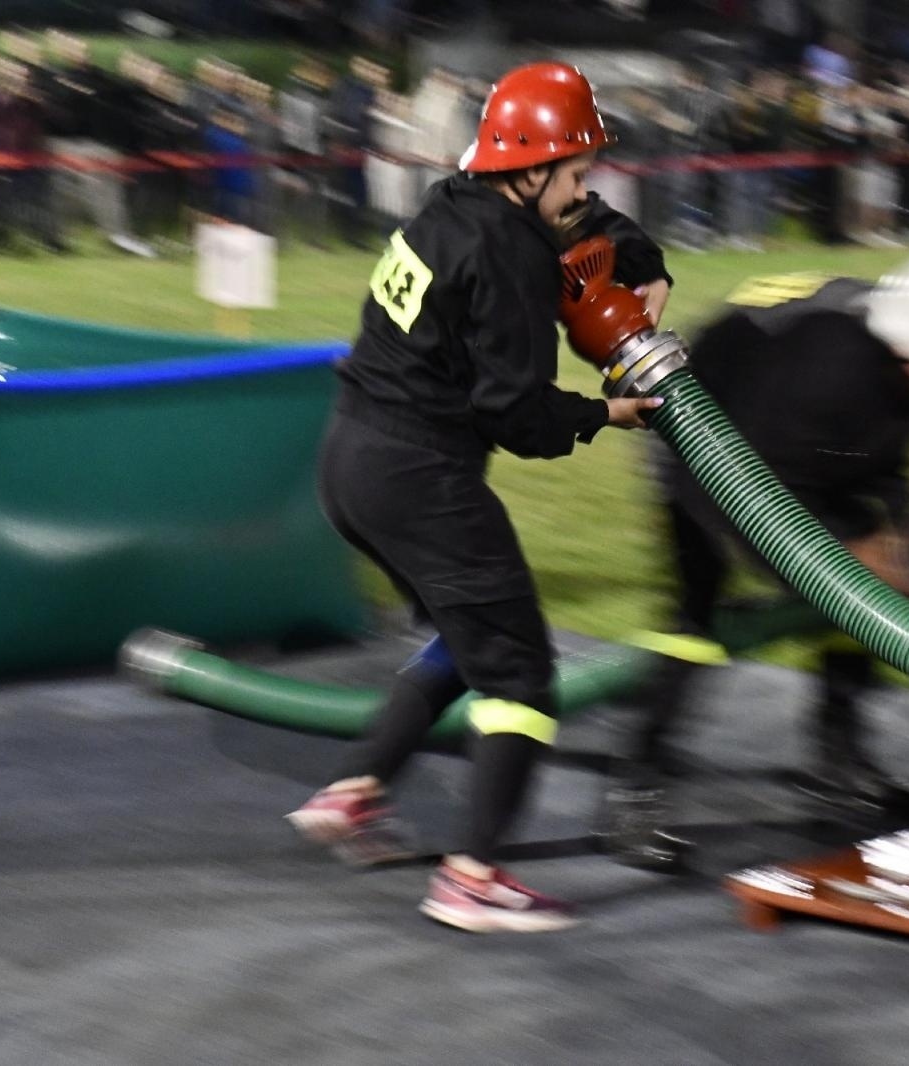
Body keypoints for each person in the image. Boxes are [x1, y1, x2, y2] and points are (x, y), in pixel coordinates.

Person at [285, 62, 669, 934]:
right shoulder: (509, 253)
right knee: (522, 668)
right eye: (575, 171)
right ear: (530, 170)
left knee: (468, 639)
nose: (586, 187)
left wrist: (648, 265)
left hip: (349, 457)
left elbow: (587, 225)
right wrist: (609, 412)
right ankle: (473, 877)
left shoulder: (456, 200)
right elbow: (519, 417)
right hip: (420, 474)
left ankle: (354, 791)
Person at [601, 250, 909, 871]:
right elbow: (759, 509)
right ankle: (635, 786)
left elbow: (889, 456)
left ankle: (838, 761)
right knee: (698, 614)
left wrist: (906, 531)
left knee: (864, 600)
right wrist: (859, 559)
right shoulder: (826, 370)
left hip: (792, 447)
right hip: (704, 439)